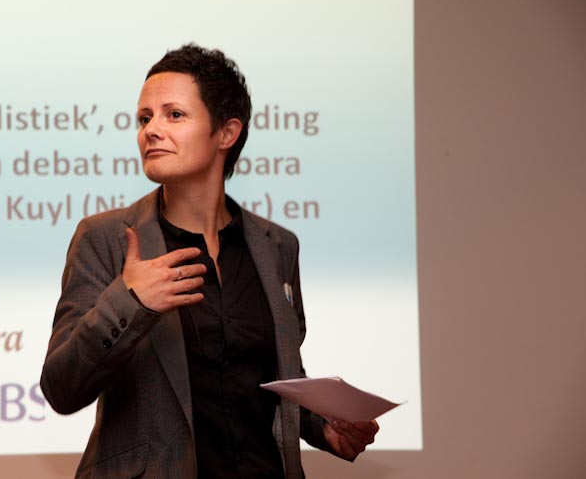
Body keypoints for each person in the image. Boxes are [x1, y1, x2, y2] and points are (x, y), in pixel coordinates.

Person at [40, 44, 378, 479]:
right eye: (144, 118)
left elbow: (270, 379)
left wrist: (320, 426)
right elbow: (61, 389)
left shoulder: (278, 247)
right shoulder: (107, 239)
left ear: (226, 133)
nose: (151, 130)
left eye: (174, 115)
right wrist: (130, 301)